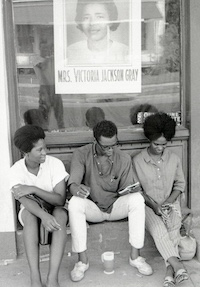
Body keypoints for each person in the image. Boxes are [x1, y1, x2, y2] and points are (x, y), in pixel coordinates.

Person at [68, 120, 152, 282]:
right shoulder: (81, 154)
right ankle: (82, 261)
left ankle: (135, 257)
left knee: (136, 199)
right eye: (105, 146)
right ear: (95, 142)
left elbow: (127, 188)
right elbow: (73, 185)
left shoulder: (124, 157)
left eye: (113, 145)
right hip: (93, 208)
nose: (110, 149)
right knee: (74, 203)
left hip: (115, 207)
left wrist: (131, 189)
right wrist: (77, 189)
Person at [132, 113, 189, 287]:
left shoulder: (174, 158)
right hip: (148, 207)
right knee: (158, 229)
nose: (160, 148)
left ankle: (169, 273)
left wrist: (168, 203)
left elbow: (180, 184)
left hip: (170, 204)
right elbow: (137, 191)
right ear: (149, 139)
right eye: (156, 144)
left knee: (172, 229)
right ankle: (178, 266)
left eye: (164, 144)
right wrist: (155, 206)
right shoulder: (138, 161)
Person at [8, 125, 69, 287]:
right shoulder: (15, 171)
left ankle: (52, 278)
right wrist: (43, 215)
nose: (44, 153)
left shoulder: (54, 164)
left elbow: (60, 200)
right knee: (29, 215)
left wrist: (34, 189)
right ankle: (35, 277)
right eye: (39, 150)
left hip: (55, 208)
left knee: (60, 215)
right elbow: (25, 201)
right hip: (32, 211)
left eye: (45, 148)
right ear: (26, 153)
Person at [67, 0, 129, 65]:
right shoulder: (71, 51)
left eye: (99, 17)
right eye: (86, 18)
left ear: (110, 21)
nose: (92, 23)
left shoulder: (124, 52)